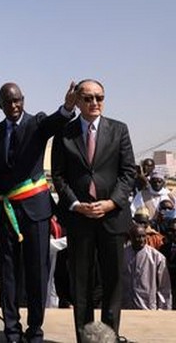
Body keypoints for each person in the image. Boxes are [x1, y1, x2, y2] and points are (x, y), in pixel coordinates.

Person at [0, 82, 77, 343]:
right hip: (4, 215)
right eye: (8, 102)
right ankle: (11, 331)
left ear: (23, 100)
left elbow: (56, 122)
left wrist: (68, 105)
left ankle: (35, 330)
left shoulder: (37, 123)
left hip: (36, 213)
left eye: (18, 101)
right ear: (0, 105)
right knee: (8, 274)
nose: (14, 106)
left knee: (37, 274)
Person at [52, 79, 136, 343]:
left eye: (99, 97)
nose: (95, 103)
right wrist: (76, 204)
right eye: (88, 98)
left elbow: (128, 172)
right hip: (80, 220)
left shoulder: (119, 130)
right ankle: (86, 338)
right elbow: (59, 176)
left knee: (112, 284)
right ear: (77, 101)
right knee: (82, 284)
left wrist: (111, 203)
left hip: (112, 218)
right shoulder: (65, 134)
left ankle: (109, 337)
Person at [122, 224, 172, 309]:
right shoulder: (122, 255)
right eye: (137, 237)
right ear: (131, 237)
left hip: (147, 308)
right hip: (125, 307)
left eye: (143, 236)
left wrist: (163, 310)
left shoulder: (157, 257)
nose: (141, 240)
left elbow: (164, 287)